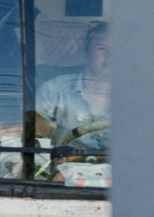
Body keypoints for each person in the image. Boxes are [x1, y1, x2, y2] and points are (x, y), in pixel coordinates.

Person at [35, 22, 112, 156]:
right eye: (101, 48)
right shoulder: (53, 91)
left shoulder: (136, 97)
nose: (110, 55)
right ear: (85, 53)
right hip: (61, 173)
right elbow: (37, 147)